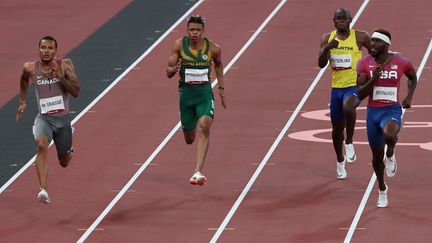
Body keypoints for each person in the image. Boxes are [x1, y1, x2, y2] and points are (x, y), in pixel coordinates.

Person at [357, 28, 417, 208]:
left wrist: (408, 97)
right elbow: (360, 92)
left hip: (391, 109)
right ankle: (382, 188)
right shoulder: (364, 63)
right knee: (376, 156)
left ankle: (390, 152)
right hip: (372, 112)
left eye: (376, 41)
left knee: (390, 134)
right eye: (371, 41)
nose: (371, 44)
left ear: (386, 44)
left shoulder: (402, 61)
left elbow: (412, 78)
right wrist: (372, 79)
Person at [16, 36, 80, 203]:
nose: (46, 51)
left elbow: (76, 91)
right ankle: (43, 190)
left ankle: (68, 149)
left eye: (50, 48)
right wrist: (22, 101)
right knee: (41, 144)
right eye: (43, 47)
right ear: (38, 49)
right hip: (43, 119)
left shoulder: (65, 65)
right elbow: (23, 80)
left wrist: (60, 77)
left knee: (64, 162)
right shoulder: (30, 68)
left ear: (55, 51)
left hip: (63, 120)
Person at [166, 15, 227, 186]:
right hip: (186, 96)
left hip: (204, 94)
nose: (195, 33)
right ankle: (189, 130)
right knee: (189, 139)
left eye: (198, 30)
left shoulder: (213, 49)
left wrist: (221, 89)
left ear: (203, 31)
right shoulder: (179, 45)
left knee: (205, 124)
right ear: (187, 30)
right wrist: (173, 69)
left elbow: (219, 65)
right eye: (192, 30)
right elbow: (168, 71)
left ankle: (197, 171)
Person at [318, 8, 371, 179]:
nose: (341, 21)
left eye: (344, 19)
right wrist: (326, 48)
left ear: (350, 19)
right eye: (338, 19)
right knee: (336, 130)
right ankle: (340, 160)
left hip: (353, 86)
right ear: (334, 20)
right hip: (337, 88)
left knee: (349, 107)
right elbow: (321, 64)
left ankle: (349, 141)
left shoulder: (360, 36)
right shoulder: (327, 38)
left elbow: (374, 54)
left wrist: (367, 72)